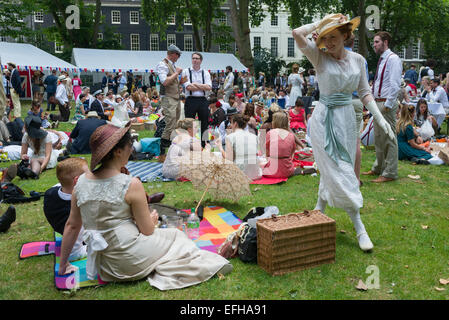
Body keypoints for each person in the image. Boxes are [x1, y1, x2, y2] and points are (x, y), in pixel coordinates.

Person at [57, 122, 232, 290]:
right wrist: (151, 218)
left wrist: (63, 265)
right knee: (176, 236)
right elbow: (147, 230)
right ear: (118, 151)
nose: (131, 150)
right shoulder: (130, 184)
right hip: (130, 261)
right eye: (129, 146)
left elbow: (72, 225)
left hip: (103, 267)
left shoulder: (80, 184)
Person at [293, 13, 395, 251]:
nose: (328, 42)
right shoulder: (319, 57)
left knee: (339, 166)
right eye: (325, 37)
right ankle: (359, 226)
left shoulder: (358, 60)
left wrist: (380, 119)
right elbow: (297, 34)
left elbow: (364, 91)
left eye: (333, 36)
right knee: (341, 171)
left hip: (347, 120)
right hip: (323, 120)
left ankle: (319, 210)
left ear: (346, 36)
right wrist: (322, 23)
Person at [362, 30, 402, 184]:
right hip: (377, 102)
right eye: (374, 42)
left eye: (377, 42)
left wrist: (388, 104)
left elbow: (395, 84)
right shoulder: (383, 59)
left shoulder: (393, 59)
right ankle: (379, 167)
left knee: (389, 137)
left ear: (385, 42)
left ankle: (390, 172)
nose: (374, 45)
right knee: (378, 137)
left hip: (385, 103)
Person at [43, 158, 89, 261]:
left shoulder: (51, 193)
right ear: (77, 181)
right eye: (89, 176)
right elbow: (74, 254)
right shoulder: (77, 216)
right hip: (78, 235)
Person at [155, 44, 185, 153]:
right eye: (178, 55)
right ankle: (163, 146)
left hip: (175, 97)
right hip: (168, 97)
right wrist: (177, 73)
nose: (178, 57)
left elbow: (171, 81)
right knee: (170, 121)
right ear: (172, 54)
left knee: (175, 121)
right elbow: (165, 81)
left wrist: (180, 83)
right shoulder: (163, 64)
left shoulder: (171, 65)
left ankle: (171, 143)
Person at [182, 52, 212, 147]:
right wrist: (202, 86)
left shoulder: (205, 72)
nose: (195, 60)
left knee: (204, 123)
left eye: (197, 58)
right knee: (189, 123)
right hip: (190, 100)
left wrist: (194, 84)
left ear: (201, 60)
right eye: (193, 58)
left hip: (202, 100)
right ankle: (189, 143)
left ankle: (204, 144)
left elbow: (209, 87)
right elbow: (188, 87)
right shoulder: (185, 71)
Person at [220, 113, 261, 181]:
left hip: (241, 174)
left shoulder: (230, 137)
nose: (230, 125)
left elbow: (229, 159)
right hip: (255, 173)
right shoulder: (254, 136)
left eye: (231, 123)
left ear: (235, 124)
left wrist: (220, 148)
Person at [262, 111, 298, 178]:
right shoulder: (291, 135)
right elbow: (292, 153)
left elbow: (266, 152)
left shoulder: (270, 133)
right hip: (288, 170)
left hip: (272, 171)